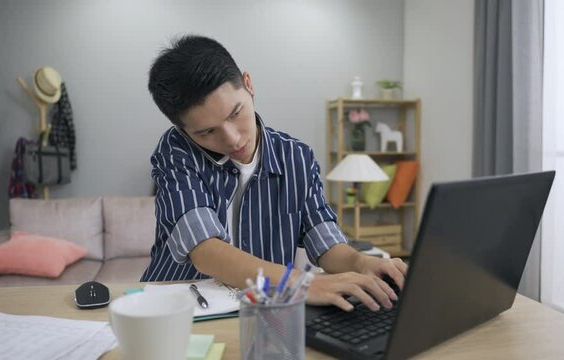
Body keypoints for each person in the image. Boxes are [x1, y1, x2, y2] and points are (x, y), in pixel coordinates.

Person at [141, 35, 407, 311]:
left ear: (248, 84)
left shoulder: (297, 156)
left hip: (266, 309)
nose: (232, 139)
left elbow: (326, 242)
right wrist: (301, 283)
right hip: (178, 311)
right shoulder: (176, 151)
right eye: (207, 132)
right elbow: (205, 250)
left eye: (235, 113)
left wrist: (362, 263)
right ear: (184, 131)